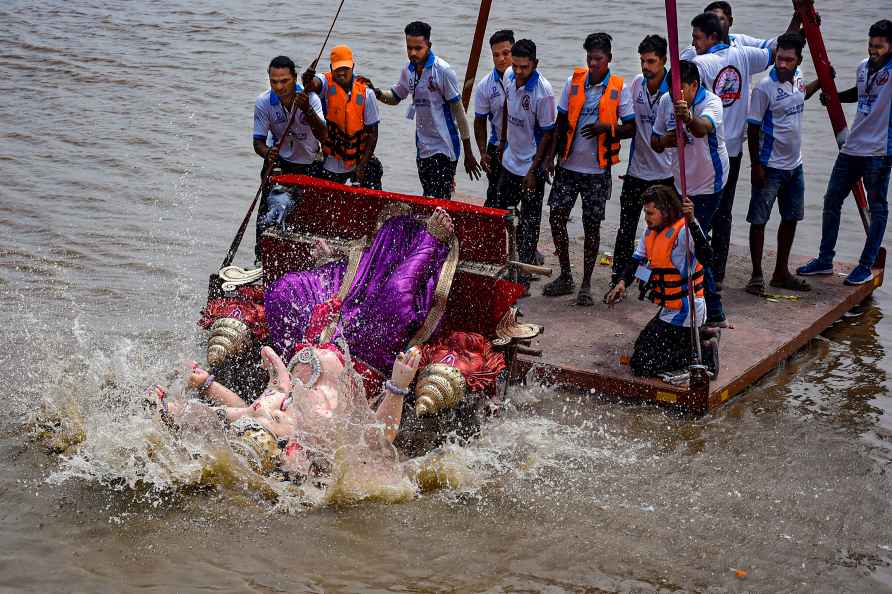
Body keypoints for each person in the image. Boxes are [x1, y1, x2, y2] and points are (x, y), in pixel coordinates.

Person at [152, 344, 422, 477]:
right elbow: (379, 437)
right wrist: (398, 386)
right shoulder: (320, 433)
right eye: (272, 415)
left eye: (257, 412)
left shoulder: (265, 410)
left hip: (312, 353)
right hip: (359, 364)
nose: (258, 407)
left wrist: (207, 384)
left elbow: (234, 410)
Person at [541, 33, 634, 306]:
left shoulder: (619, 88)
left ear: (609, 59)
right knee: (556, 217)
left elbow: (631, 127)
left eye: (598, 59)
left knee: (591, 227)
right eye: (590, 59)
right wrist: (549, 158)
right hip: (568, 167)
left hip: (596, 172)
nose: (593, 64)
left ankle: (585, 285)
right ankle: (566, 275)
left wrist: (608, 128)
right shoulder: (573, 83)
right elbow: (560, 123)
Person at [797, 19, 892, 285]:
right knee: (831, 200)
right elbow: (860, 94)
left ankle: (866, 264)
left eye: (880, 47)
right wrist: (835, 96)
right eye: (871, 45)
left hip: (880, 152)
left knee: (878, 208)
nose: (874, 50)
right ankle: (825, 259)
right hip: (853, 146)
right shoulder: (863, 67)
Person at [688, 11, 775, 288]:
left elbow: (678, 77)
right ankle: (718, 271)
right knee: (722, 213)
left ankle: (702, 268)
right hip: (733, 150)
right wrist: (798, 21)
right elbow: (776, 52)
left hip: (710, 147)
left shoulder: (704, 61)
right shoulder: (745, 55)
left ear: (713, 37)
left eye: (697, 38)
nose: (694, 43)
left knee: (703, 211)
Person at [605, 185, 719, 377]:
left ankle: (705, 352)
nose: (646, 218)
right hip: (669, 308)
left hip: (686, 310)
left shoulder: (685, 230)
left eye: (650, 213)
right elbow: (636, 260)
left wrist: (692, 222)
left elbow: (707, 257)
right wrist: (622, 282)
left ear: (665, 211)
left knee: (643, 364)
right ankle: (698, 337)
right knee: (641, 346)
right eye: (645, 213)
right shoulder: (651, 231)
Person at [651, 59, 728, 326]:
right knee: (684, 243)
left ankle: (714, 311)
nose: (676, 96)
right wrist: (666, 140)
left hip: (709, 184)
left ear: (694, 85)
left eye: (681, 89)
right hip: (680, 183)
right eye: (672, 90)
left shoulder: (712, 103)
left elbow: (703, 128)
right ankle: (687, 301)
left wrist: (688, 118)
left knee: (694, 244)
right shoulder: (665, 102)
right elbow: (655, 141)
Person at [745, 32, 821, 295]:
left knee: (791, 218)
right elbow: (753, 129)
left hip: (794, 165)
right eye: (780, 59)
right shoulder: (764, 88)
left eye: (789, 60)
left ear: (798, 60)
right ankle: (756, 275)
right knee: (759, 220)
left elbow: (802, 95)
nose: (783, 64)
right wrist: (756, 165)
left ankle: (780, 271)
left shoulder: (798, 78)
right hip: (769, 166)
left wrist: (821, 81)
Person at [370, 21, 481, 199]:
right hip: (422, 146)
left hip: (444, 147)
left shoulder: (443, 71)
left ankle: (440, 226)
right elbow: (396, 97)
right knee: (428, 196)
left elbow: (459, 113)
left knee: (438, 200)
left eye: (418, 48)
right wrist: (376, 92)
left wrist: (468, 153)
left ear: (428, 45)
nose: (413, 53)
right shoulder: (408, 70)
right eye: (409, 48)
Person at [487, 39, 557, 289]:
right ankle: (505, 262)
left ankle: (523, 278)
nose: (518, 72)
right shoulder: (507, 75)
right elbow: (506, 106)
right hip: (509, 160)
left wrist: (533, 170)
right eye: (515, 66)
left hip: (530, 166)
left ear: (535, 64)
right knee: (502, 213)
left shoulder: (543, 92)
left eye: (523, 67)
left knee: (530, 223)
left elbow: (549, 134)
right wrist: (503, 139)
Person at [609, 34, 675, 292]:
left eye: (651, 61)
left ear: (664, 61)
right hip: (636, 170)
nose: (646, 67)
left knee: (661, 233)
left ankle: (653, 281)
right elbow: (627, 122)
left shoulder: (673, 91)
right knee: (626, 229)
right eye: (643, 61)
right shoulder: (636, 84)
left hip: (664, 174)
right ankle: (619, 279)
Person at [253, 56, 328, 261]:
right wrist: (268, 153)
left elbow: (324, 135)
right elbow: (258, 142)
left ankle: (301, 260)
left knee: (305, 219)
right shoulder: (263, 102)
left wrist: (307, 110)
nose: (279, 86)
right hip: (279, 164)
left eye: (284, 81)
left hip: (309, 165)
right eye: (274, 81)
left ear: (294, 78)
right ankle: (262, 259)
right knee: (266, 217)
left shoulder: (310, 98)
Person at [301, 45, 383, 189]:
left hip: (358, 158)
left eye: (345, 69)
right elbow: (313, 84)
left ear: (353, 67)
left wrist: (362, 166)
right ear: (332, 68)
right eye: (338, 69)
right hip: (332, 158)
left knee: (373, 174)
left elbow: (373, 133)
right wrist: (307, 79)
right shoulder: (325, 82)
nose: (341, 73)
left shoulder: (366, 93)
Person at [474, 29, 515, 206]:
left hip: (525, 149)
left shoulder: (529, 80)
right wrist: (483, 153)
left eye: (506, 53)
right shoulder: (485, 85)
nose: (501, 59)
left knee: (523, 203)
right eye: (496, 55)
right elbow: (480, 122)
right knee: (495, 201)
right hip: (498, 147)